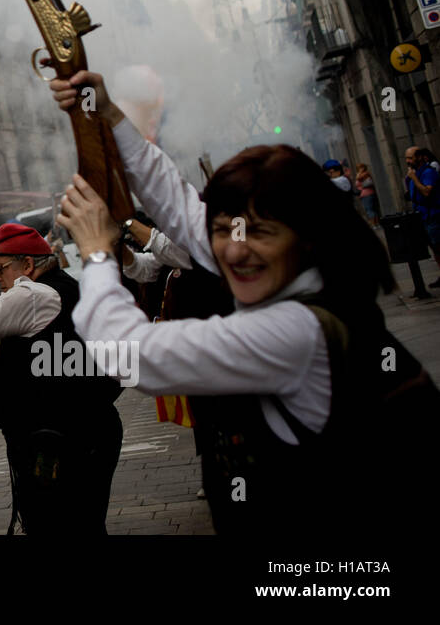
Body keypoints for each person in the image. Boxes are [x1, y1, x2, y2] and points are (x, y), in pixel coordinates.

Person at [51, 69, 437, 535]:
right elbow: (175, 198)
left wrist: (95, 251)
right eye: (224, 229)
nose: (235, 249)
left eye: (261, 232)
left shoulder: (293, 331)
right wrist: (109, 114)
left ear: (307, 238)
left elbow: (125, 353)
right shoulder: (300, 281)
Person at [0, 223, 124, 535]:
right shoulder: (59, 288)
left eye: (1, 268)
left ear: (27, 265)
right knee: (83, 525)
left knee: (56, 527)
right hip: (85, 432)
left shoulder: (35, 293)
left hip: (63, 441)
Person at [405, 145, 440, 286]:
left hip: (434, 216)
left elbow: (426, 192)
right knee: (435, 248)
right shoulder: (415, 173)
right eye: (406, 158)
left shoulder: (427, 172)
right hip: (423, 216)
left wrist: (414, 178)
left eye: (410, 158)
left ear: (419, 157)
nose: (407, 161)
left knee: (439, 246)